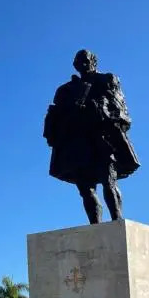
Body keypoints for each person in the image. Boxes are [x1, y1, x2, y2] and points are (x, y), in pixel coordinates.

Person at [43, 49, 140, 224]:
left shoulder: (106, 80)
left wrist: (94, 107)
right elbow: (55, 115)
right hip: (77, 144)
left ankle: (116, 220)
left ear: (94, 62)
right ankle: (95, 225)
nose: (82, 64)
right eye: (78, 62)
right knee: (85, 188)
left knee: (108, 181)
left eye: (86, 60)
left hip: (102, 138)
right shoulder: (66, 89)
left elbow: (119, 109)